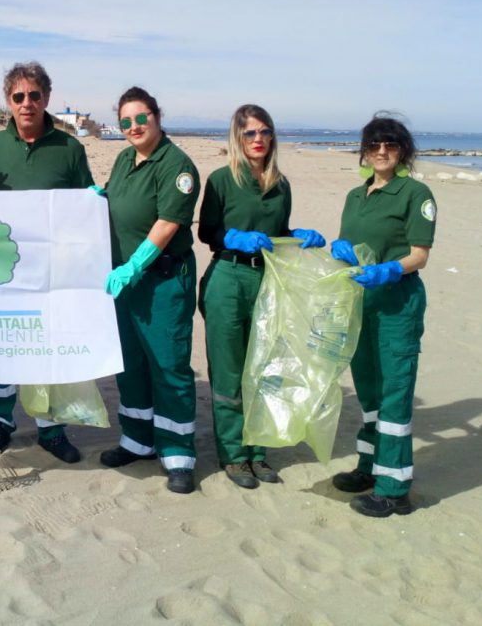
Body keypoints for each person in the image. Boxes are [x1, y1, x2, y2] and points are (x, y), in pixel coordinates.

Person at [0, 61, 94, 463]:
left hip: (51, 269)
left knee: (45, 348)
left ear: (47, 99)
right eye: (18, 96)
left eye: (34, 96)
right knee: (2, 346)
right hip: (3, 268)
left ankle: (51, 430)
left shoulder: (70, 148)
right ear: (8, 100)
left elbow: (85, 208)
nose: (27, 103)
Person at [197, 104, 326, 490]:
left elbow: (279, 230)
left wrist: (298, 236)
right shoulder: (221, 180)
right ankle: (234, 456)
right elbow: (206, 231)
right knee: (230, 371)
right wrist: (231, 237)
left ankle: (258, 453)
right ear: (237, 137)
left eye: (264, 132)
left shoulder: (281, 184)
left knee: (263, 369)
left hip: (268, 280)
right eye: (249, 133)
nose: (258, 140)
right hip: (228, 278)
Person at [328, 114, 436, 517]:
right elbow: (351, 243)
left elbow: (420, 253)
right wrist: (342, 249)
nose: (382, 152)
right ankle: (369, 467)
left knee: (394, 393)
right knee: (370, 391)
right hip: (361, 303)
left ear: (403, 150)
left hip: (398, 305)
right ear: (365, 151)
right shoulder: (356, 196)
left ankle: (393, 488)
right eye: (374, 145)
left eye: (390, 145)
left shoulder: (415, 193)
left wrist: (390, 269)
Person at [97, 87, 201, 493]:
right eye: (126, 121)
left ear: (157, 116)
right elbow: (117, 200)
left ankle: (178, 453)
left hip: (161, 282)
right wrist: (96, 198)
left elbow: (167, 224)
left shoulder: (177, 164)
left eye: (142, 118)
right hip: (125, 286)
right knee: (131, 364)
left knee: (168, 365)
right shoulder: (125, 159)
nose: (134, 127)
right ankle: (137, 440)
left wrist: (134, 266)